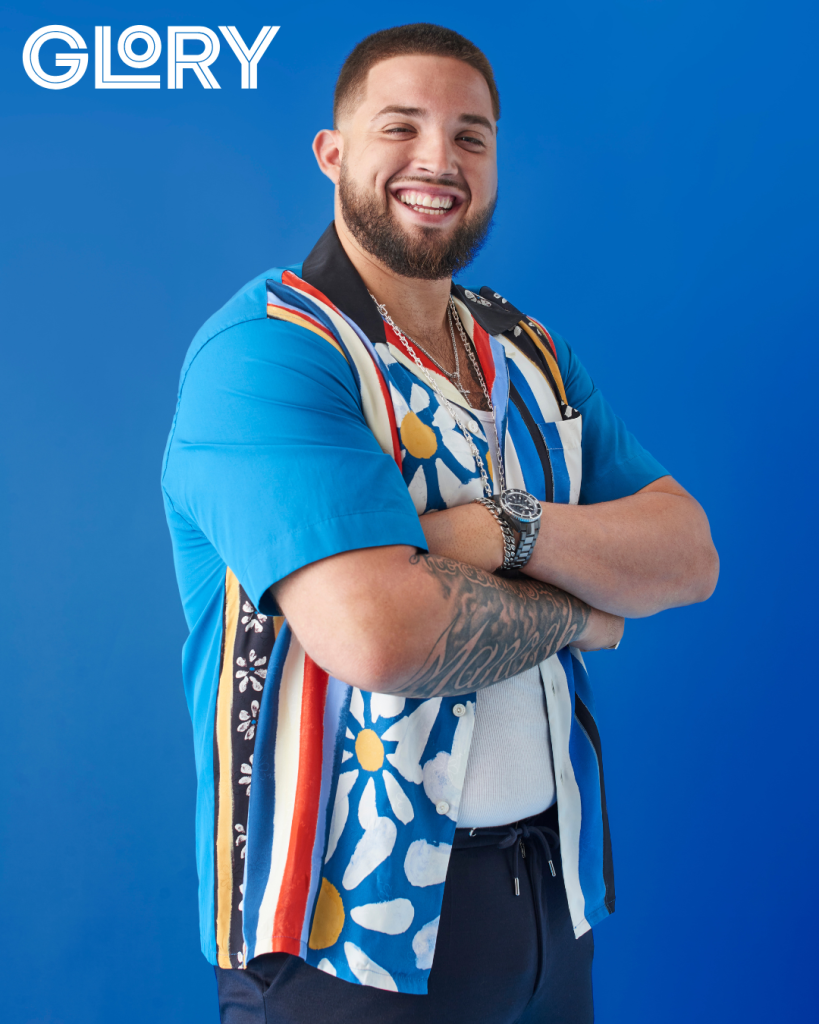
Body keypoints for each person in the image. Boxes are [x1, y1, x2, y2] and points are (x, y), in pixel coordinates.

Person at [162, 22, 719, 1024]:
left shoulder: (527, 347)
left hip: (551, 897)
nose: (438, 161)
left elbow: (687, 552)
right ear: (333, 153)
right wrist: (584, 612)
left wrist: (501, 529)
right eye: (401, 126)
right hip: (343, 931)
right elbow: (382, 636)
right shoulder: (269, 354)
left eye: (471, 136)